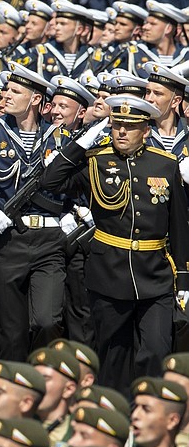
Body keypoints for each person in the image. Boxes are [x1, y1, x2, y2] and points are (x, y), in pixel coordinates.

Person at [41, 96, 189, 388]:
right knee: (113, 355)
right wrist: (80, 144)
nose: (121, 132)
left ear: (146, 130)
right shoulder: (96, 160)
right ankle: (115, 415)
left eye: (129, 127)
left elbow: (179, 226)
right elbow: (50, 182)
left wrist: (184, 280)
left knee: (156, 350)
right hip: (109, 273)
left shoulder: (165, 164)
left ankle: (149, 412)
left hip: (155, 274)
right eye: (116, 125)